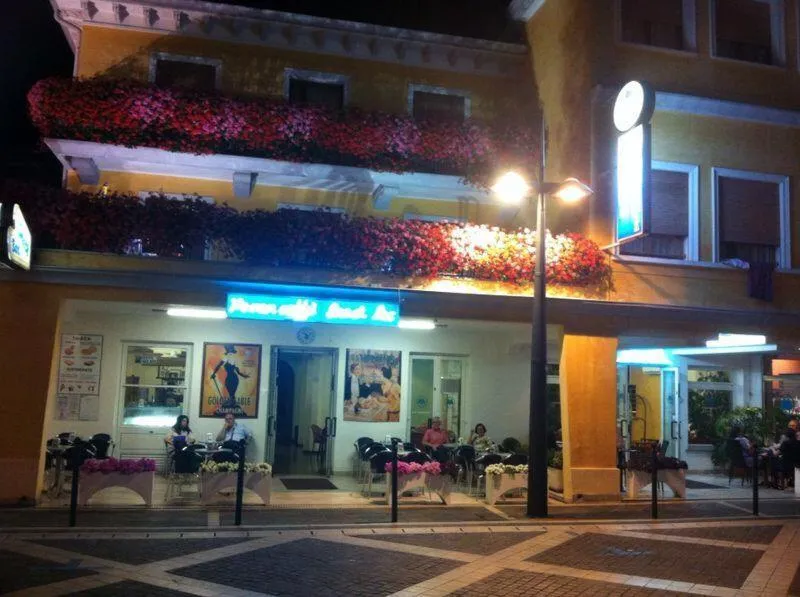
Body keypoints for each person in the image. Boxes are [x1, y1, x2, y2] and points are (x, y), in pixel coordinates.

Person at [211, 345, 250, 409]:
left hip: (231, 378)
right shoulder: (232, 358)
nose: (230, 353)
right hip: (233, 378)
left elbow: (219, 365)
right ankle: (232, 405)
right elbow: (238, 372)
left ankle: (232, 405)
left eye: (230, 350)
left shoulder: (227, 357)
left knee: (231, 394)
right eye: (229, 350)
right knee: (231, 394)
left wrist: (214, 373)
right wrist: (244, 376)